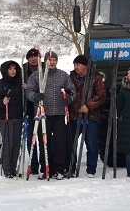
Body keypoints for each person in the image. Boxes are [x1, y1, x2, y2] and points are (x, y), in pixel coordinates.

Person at [26, 50, 75, 180]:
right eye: (49, 59)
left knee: (60, 142)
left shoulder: (63, 75)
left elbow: (72, 90)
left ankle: (60, 169)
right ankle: (46, 168)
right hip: (43, 114)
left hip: (59, 113)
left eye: (54, 60)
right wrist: (35, 96)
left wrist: (69, 98)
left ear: (56, 61)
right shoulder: (37, 76)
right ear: (45, 60)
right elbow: (29, 92)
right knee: (43, 143)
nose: (52, 62)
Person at [68, 54, 106, 177]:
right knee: (71, 143)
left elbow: (101, 95)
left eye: (78, 64)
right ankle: (71, 168)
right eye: (74, 65)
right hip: (74, 115)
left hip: (91, 116)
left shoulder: (95, 78)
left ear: (85, 66)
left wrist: (88, 106)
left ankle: (91, 170)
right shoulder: (71, 77)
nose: (75, 67)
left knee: (91, 144)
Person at [0, 60, 25, 178]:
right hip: (4, 118)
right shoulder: (0, 84)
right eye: (10, 69)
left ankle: (13, 168)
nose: (12, 71)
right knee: (8, 143)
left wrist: (26, 89)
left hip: (18, 117)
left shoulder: (20, 83)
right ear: (5, 70)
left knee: (16, 143)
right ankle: (6, 169)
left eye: (14, 68)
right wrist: (2, 101)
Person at [22, 48, 42, 174]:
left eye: (36, 56)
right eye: (31, 57)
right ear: (28, 59)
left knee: (44, 138)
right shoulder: (22, 70)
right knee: (31, 139)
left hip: (44, 110)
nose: (34, 59)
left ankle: (47, 164)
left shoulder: (45, 68)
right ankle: (33, 165)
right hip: (28, 109)